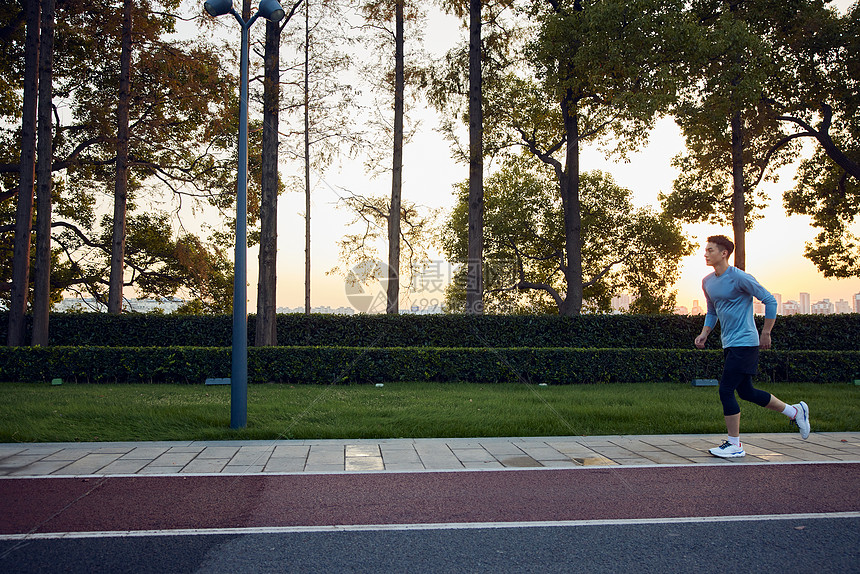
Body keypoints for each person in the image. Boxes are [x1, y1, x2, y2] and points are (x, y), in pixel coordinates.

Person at [694, 235, 810, 458]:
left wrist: (766, 332)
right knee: (746, 391)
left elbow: (770, 300)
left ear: (724, 253)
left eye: (710, 250)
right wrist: (704, 333)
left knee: (726, 390)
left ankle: (735, 444)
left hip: (746, 341)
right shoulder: (707, 281)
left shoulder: (739, 278)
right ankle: (794, 411)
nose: (706, 254)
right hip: (729, 343)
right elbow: (712, 311)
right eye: (706, 250)